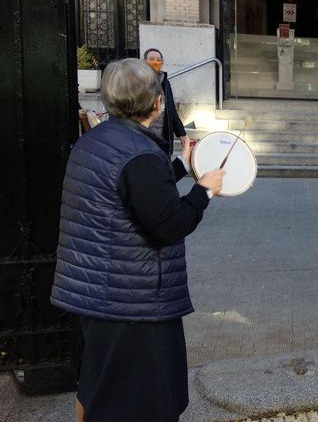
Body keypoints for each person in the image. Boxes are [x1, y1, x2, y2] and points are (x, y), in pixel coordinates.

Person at [51, 58, 224, 422]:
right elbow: (169, 223)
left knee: (98, 385)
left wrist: (180, 166)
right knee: (141, 402)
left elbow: (127, 193)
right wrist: (203, 192)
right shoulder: (139, 155)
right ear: (157, 103)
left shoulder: (95, 141)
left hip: (97, 292)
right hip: (133, 302)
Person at [144, 48, 190, 156]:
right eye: (151, 59)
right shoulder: (139, 81)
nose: (155, 62)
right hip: (144, 136)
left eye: (158, 59)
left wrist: (181, 133)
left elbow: (171, 109)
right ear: (144, 61)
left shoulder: (165, 82)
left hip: (162, 137)